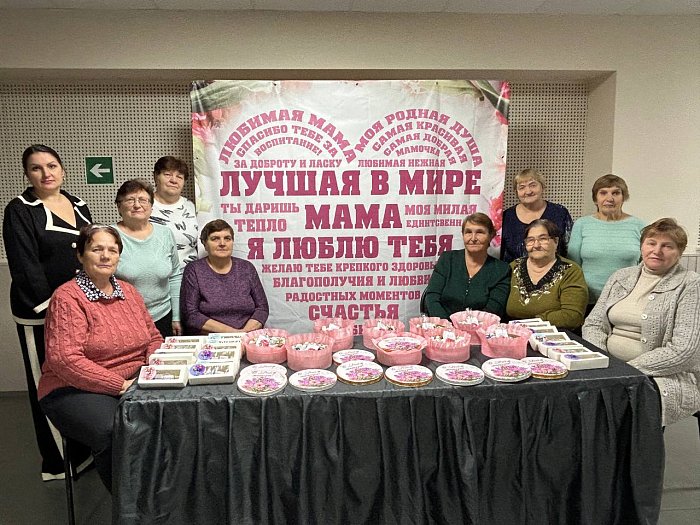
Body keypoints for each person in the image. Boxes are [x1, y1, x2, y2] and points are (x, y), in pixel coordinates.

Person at [38, 225, 163, 492]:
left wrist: (153, 369)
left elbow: (153, 338)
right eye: (97, 249)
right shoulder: (67, 297)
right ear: (81, 255)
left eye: (112, 250)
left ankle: (162, 494)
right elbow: (65, 360)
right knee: (114, 429)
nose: (105, 256)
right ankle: (130, 504)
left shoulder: (129, 292)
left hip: (133, 380)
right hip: (73, 388)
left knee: (174, 416)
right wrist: (120, 385)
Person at [3, 144, 93, 481]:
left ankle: (85, 449)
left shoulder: (79, 205)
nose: (46, 173)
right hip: (41, 313)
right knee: (48, 383)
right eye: (36, 168)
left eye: (52, 165)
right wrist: (54, 309)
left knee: (78, 377)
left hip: (79, 309)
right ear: (27, 174)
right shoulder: (20, 210)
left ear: (62, 169)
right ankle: (59, 462)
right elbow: (25, 267)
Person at [583, 218, 700, 427]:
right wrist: (602, 361)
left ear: (680, 252)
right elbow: (593, 324)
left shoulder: (690, 284)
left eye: (667, 246)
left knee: (623, 414)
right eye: (651, 243)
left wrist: (626, 370)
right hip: (608, 368)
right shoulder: (621, 276)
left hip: (658, 374)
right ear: (642, 246)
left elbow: (685, 350)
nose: (657, 251)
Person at [112, 179, 182, 337]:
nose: (137, 205)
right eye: (130, 200)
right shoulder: (108, 236)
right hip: (124, 320)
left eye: (143, 200)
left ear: (151, 206)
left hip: (163, 316)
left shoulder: (165, 234)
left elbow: (175, 276)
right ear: (119, 206)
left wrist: (176, 317)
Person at [568, 174, 645, 307]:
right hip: (587, 300)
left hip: (626, 300)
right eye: (603, 193)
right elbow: (574, 266)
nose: (609, 198)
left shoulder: (639, 226)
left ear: (624, 197)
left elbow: (645, 265)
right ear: (595, 198)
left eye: (616, 193)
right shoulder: (582, 224)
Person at [181, 219, 269, 334]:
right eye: (215, 239)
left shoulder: (246, 268)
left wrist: (244, 333)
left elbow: (262, 308)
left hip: (247, 335)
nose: (222, 243)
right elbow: (190, 314)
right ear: (204, 244)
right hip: (211, 338)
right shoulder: (194, 270)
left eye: (227, 238)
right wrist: (233, 333)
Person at [424, 212, 511, 319]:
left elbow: (493, 309)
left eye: (480, 232)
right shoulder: (447, 259)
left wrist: (469, 327)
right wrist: (445, 325)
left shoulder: (501, 270)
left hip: (481, 327)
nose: (473, 238)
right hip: (442, 325)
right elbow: (432, 297)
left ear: (491, 236)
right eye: (468, 232)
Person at [506, 219, 588, 329]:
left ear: (556, 241)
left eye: (543, 239)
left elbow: (572, 316)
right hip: (513, 333)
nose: (536, 245)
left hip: (555, 334)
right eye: (530, 240)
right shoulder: (514, 267)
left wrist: (531, 323)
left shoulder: (571, 271)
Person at [501, 169, 573, 263]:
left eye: (533, 185)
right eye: (522, 187)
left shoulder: (560, 213)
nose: (528, 191)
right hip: (513, 271)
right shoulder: (506, 217)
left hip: (555, 270)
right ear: (516, 192)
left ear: (542, 187)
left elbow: (569, 250)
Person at [149, 156, 199, 270]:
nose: (174, 180)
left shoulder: (192, 207)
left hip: (189, 276)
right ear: (156, 176)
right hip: (154, 275)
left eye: (179, 177)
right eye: (167, 174)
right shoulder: (143, 206)